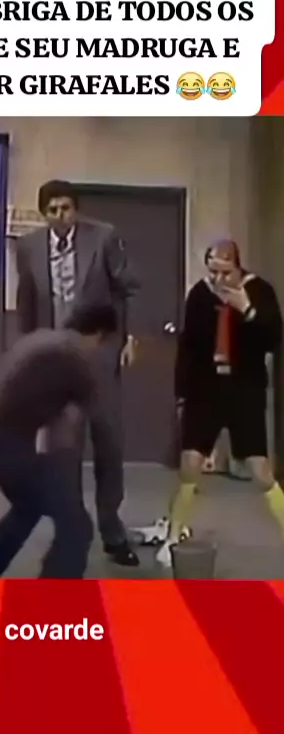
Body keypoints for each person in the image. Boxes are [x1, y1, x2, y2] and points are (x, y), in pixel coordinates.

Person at [15, 179, 140, 566]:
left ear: (76, 209)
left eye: (66, 208)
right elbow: (26, 304)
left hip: (99, 355)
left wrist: (128, 337)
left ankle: (112, 530)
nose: (60, 216)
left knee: (109, 445)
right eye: (53, 210)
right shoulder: (28, 247)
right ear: (44, 214)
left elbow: (127, 288)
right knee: (64, 451)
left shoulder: (103, 238)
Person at [0, 304, 119, 579]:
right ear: (100, 335)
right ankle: (52, 596)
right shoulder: (76, 360)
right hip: (10, 445)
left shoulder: (41, 339)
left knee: (27, 510)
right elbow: (93, 430)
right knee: (77, 527)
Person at [156, 239, 283, 567]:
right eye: (212, 271)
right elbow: (187, 346)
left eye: (225, 272)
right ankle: (173, 537)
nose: (218, 279)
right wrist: (181, 392)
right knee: (190, 463)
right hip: (205, 389)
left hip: (245, 390)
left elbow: (274, 338)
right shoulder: (200, 294)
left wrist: (247, 309)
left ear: (237, 266)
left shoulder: (260, 291)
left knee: (260, 470)